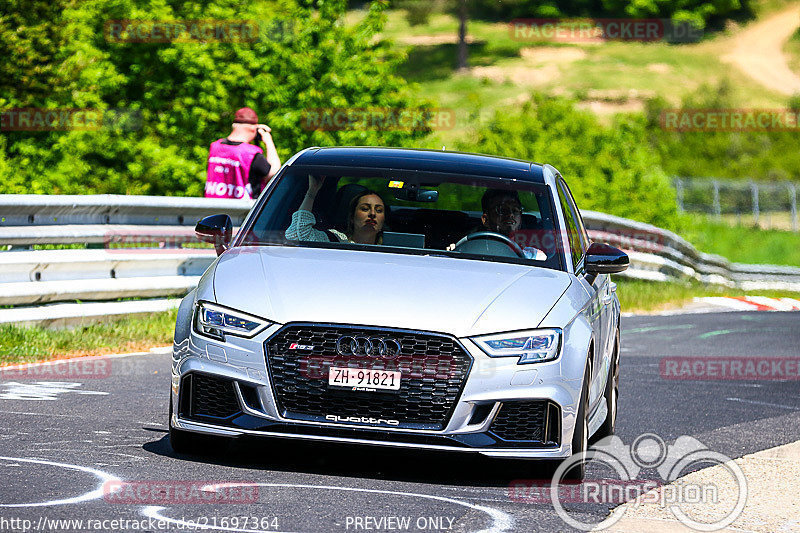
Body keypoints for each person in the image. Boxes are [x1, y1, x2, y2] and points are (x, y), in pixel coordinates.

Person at [204, 107, 281, 200]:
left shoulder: (215, 147)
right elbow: (273, 173)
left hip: (215, 209)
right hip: (241, 211)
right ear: (253, 129)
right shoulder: (251, 154)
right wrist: (268, 141)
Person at [285, 176, 386, 244]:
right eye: (365, 209)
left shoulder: (394, 249)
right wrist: (312, 192)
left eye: (379, 210)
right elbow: (296, 235)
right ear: (351, 217)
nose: (372, 213)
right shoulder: (336, 240)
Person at [450, 188, 546, 260]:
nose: (510, 214)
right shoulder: (464, 250)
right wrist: (453, 253)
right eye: (502, 210)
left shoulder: (534, 257)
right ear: (485, 219)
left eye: (515, 210)